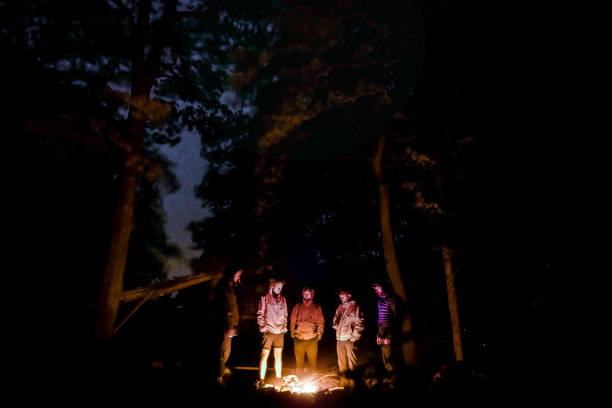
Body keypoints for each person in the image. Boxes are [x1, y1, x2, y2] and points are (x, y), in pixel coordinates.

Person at [256, 279, 288, 387]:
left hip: (280, 332)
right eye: (277, 286)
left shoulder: (283, 300)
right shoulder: (265, 298)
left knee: (278, 356)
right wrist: (263, 327)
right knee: (264, 355)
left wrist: (284, 327)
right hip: (269, 331)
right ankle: (261, 380)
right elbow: (260, 313)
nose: (279, 288)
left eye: (281, 287)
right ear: (272, 286)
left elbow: (285, 315)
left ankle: (278, 379)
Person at [332, 288, 364, 388]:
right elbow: (335, 320)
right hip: (340, 339)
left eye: (343, 295)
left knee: (352, 364)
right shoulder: (340, 307)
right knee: (342, 364)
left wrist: (354, 337)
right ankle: (345, 385)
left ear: (349, 295)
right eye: (340, 296)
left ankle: (354, 386)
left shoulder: (355, 307)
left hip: (349, 339)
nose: (340, 297)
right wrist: (335, 324)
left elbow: (360, 323)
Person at [216, 266, 243, 384]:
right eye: (237, 275)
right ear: (231, 275)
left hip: (231, 327)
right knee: (222, 353)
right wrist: (229, 326)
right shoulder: (224, 289)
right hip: (227, 327)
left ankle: (220, 376)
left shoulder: (231, 289)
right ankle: (218, 378)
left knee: (226, 353)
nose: (239, 278)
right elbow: (225, 309)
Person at [290, 286, 324, 378]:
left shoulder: (316, 308)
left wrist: (319, 334)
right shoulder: (298, 306)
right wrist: (292, 331)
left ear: (311, 295)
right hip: (299, 339)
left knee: (312, 363)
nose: (307, 294)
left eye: (308, 293)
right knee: (299, 363)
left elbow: (321, 322)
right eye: (305, 293)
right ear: (302, 294)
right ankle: (299, 382)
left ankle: (313, 381)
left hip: (312, 339)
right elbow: (292, 319)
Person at [372, 282, 397, 374]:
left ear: (383, 288)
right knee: (384, 356)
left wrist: (389, 336)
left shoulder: (391, 300)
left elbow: (395, 318)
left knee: (389, 355)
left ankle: (394, 375)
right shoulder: (380, 301)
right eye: (375, 289)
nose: (376, 291)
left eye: (377, 288)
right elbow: (380, 318)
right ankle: (389, 376)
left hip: (388, 331)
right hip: (381, 330)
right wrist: (378, 335)